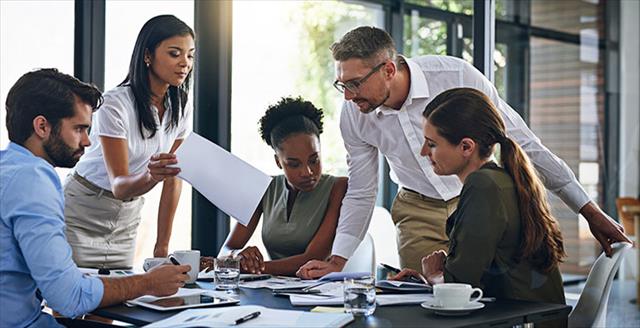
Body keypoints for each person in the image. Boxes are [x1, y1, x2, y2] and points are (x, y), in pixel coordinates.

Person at [297, 26, 629, 278]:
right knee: (424, 307)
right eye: (342, 85)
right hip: (417, 210)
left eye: (355, 83)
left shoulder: (456, 77)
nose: (349, 97)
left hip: (474, 203)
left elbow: (524, 143)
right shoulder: (355, 114)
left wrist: (589, 212)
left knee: (481, 303)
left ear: (388, 70)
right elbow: (361, 190)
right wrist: (337, 261)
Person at [0, 68, 190, 327]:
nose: (88, 142)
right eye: (79, 129)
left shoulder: (7, 168)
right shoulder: (34, 180)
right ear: (42, 126)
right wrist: (149, 283)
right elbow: (68, 298)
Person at [391, 88, 565, 306]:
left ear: (466, 147)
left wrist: (434, 274)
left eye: (432, 144)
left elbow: (462, 286)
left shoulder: (483, 186)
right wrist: (430, 278)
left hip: (516, 319)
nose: (424, 152)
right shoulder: (501, 180)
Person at [64, 15, 195, 268]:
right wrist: (152, 176)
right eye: (174, 53)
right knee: (70, 302)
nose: (184, 63)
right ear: (147, 55)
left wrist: (162, 246)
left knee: (119, 301)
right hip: (82, 210)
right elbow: (120, 185)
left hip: (127, 217)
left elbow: (173, 177)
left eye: (190, 55)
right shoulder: (115, 103)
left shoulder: (181, 104)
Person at [203, 97, 348, 276]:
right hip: (274, 290)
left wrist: (249, 267)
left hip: (323, 293)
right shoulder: (264, 188)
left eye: (314, 160)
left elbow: (312, 259)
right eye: (294, 164)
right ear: (278, 162)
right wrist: (238, 256)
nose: (307, 172)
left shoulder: (339, 187)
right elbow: (227, 249)